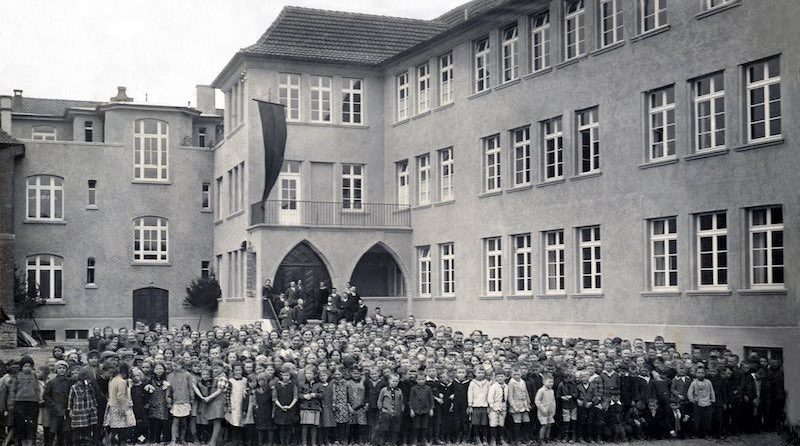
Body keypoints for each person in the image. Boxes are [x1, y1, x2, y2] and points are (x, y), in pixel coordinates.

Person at [8, 356, 40, 446]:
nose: (27, 368)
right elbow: (12, 391)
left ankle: (30, 443)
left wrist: (38, 399)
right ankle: (23, 443)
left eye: (29, 366)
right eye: (25, 366)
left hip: (33, 403)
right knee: (21, 425)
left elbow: (37, 389)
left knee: (31, 425)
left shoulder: (34, 376)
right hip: (20, 404)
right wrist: (11, 404)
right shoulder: (17, 377)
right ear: (21, 367)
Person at [105, 362, 135, 445]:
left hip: (111, 406)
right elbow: (120, 397)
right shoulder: (122, 382)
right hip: (119, 407)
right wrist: (122, 409)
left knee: (114, 428)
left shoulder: (112, 380)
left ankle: (110, 441)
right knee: (123, 429)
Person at [67, 369, 99, 446]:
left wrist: (95, 407)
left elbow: (93, 397)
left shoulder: (89, 387)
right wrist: (70, 410)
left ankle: (87, 443)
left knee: (87, 431)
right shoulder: (74, 387)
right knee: (77, 432)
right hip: (78, 412)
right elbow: (70, 399)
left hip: (88, 412)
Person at [687, 366, 715, 439]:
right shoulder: (694, 383)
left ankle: (707, 434)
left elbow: (712, 391)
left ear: (705, 374)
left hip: (708, 403)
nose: (700, 374)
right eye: (698, 373)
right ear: (696, 373)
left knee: (707, 420)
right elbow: (689, 393)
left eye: (702, 373)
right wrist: (692, 400)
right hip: (698, 404)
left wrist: (712, 400)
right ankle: (696, 434)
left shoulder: (708, 382)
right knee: (697, 420)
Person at [535, 374, 556, 444]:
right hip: (543, 411)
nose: (551, 384)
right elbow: (537, 401)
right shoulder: (541, 390)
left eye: (552, 382)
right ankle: (541, 439)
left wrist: (553, 410)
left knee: (549, 425)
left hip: (550, 411)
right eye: (549, 382)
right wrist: (542, 409)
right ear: (544, 382)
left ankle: (547, 438)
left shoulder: (552, 391)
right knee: (544, 425)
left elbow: (553, 401)